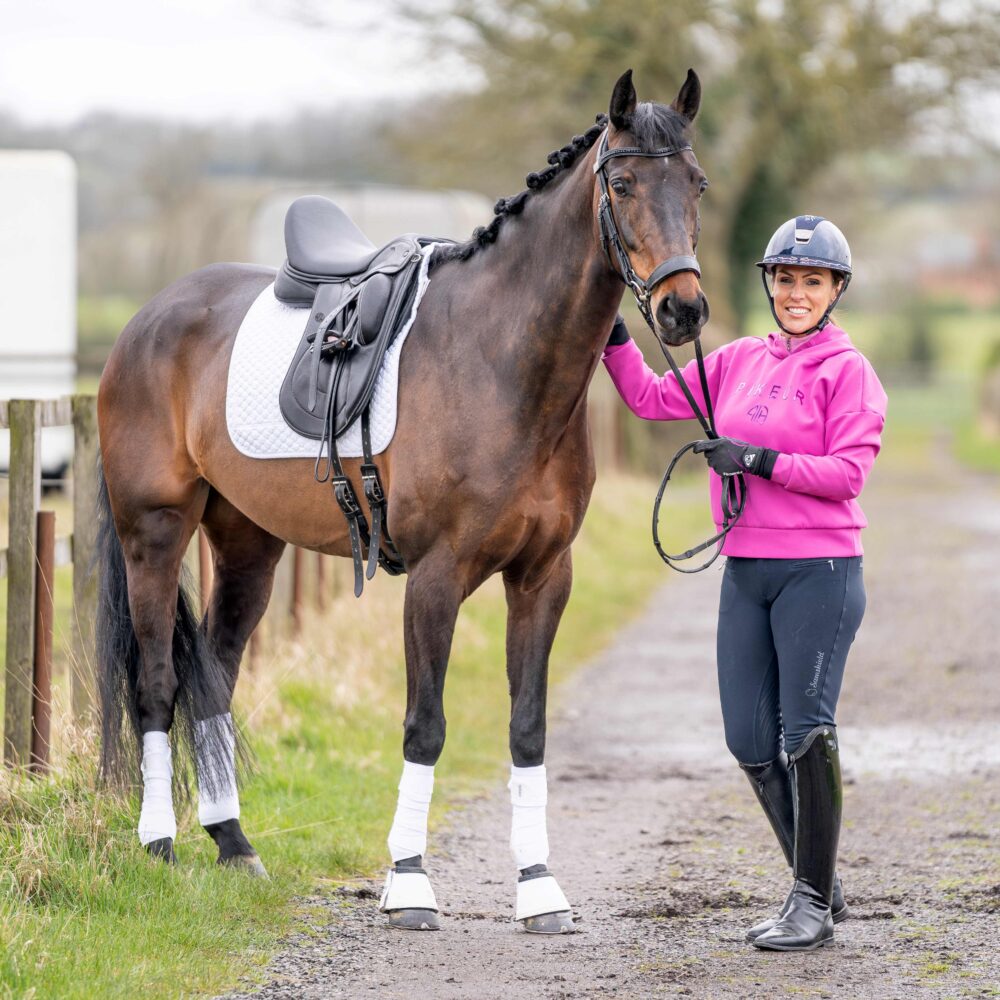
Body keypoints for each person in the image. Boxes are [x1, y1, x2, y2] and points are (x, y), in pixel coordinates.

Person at [602, 216, 887, 952]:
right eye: (786, 279)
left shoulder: (848, 372)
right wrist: (608, 327)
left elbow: (847, 475)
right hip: (746, 570)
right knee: (748, 739)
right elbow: (648, 397)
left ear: (835, 291)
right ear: (770, 285)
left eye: (812, 281)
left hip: (819, 572)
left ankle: (810, 901)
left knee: (804, 732)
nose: (797, 293)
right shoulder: (736, 360)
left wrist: (757, 461)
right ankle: (819, 880)